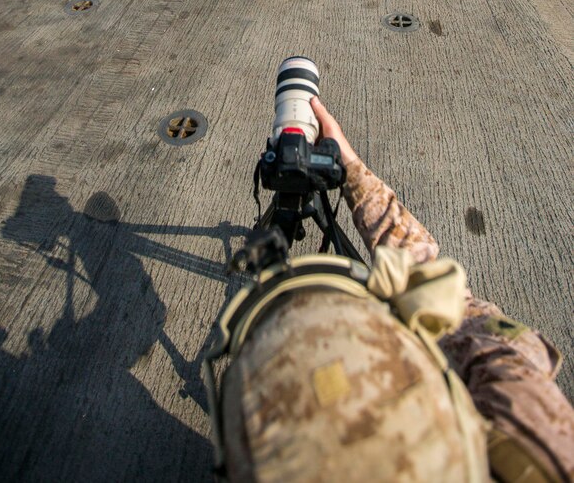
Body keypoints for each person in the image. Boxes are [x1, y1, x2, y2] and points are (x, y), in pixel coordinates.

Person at [220, 97, 573, 482]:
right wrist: (349, 170)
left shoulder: (533, 450)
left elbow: (443, 299)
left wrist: (352, 169)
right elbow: (460, 319)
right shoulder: (536, 458)